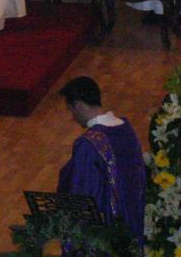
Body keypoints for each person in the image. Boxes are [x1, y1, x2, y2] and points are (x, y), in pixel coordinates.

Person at [56, 76, 146, 244]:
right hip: (133, 218)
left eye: (71, 110)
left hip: (106, 231)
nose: (73, 117)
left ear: (79, 105)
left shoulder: (88, 144)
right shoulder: (126, 128)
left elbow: (81, 191)